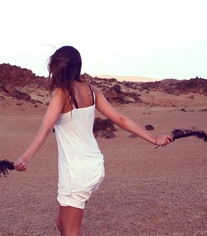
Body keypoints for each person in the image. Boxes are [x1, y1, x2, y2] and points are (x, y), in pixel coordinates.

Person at [14, 45, 173, 235]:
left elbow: (46, 128)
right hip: (93, 164)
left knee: (71, 230)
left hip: (76, 170)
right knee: (61, 224)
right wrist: (153, 138)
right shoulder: (92, 90)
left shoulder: (61, 93)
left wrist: (25, 157)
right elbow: (120, 119)